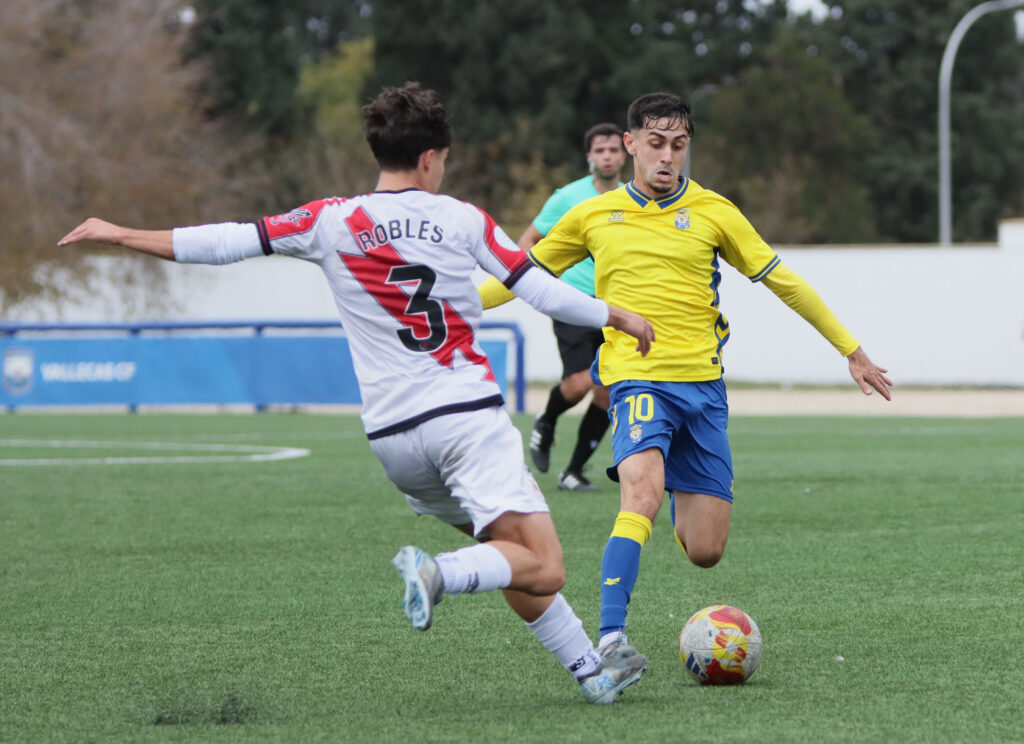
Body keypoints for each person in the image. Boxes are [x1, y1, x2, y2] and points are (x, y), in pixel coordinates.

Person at [57, 82, 655, 704]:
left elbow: (223, 241)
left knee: (505, 551)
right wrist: (615, 314)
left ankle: (590, 671)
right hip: (465, 421)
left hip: (394, 441)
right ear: (430, 158)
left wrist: (121, 233)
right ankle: (438, 573)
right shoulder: (463, 218)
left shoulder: (330, 220)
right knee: (545, 564)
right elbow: (538, 288)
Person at [480, 91, 892, 664]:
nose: (667, 156)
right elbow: (520, 277)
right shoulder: (592, 215)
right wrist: (446, 309)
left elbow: (785, 282)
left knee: (705, 551)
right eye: (655, 143)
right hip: (636, 380)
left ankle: (673, 478)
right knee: (640, 496)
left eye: (678, 145)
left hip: (703, 390)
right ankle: (610, 641)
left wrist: (851, 350)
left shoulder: (715, 211)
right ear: (630, 145)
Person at [512, 123, 627, 492]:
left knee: (607, 392)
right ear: (589, 156)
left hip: (617, 307)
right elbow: (528, 240)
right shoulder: (567, 198)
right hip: (574, 303)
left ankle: (573, 472)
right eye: (600, 150)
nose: (607, 156)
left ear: (625, 154)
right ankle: (546, 419)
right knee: (579, 384)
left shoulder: (633, 198)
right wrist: (539, 284)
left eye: (613, 150)